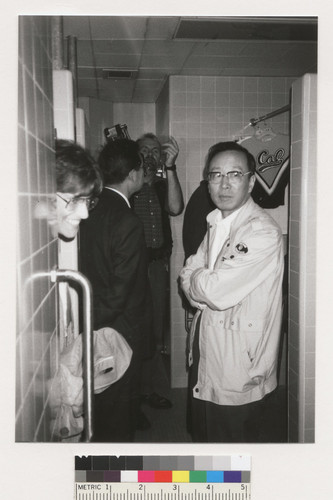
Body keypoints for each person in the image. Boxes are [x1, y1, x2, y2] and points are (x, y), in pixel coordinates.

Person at [179, 141, 284, 443]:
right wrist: (197, 279)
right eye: (216, 175)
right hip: (207, 347)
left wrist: (196, 280)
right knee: (205, 437)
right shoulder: (216, 221)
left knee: (232, 450)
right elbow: (188, 271)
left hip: (239, 359)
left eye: (234, 174)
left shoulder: (261, 231)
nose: (224, 184)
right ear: (207, 182)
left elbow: (214, 292)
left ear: (251, 181)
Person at [79, 138, 151, 442]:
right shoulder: (127, 220)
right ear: (133, 174)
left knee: (102, 411)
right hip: (120, 333)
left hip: (91, 320)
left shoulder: (89, 208)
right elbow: (122, 291)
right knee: (119, 419)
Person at [132, 133, 184, 413]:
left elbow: (176, 208)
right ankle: (131, 398)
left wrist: (171, 166)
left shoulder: (164, 184)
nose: (150, 155)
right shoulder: (130, 183)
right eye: (145, 150)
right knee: (132, 331)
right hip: (130, 268)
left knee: (153, 331)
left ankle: (147, 391)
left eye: (155, 151)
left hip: (156, 267)